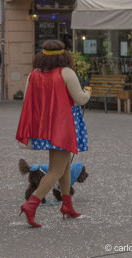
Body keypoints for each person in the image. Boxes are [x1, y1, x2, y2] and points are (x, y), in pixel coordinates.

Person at [16, 40, 91, 227]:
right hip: (64, 126)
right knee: (57, 169)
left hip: (46, 126)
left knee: (64, 166)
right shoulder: (67, 73)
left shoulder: (34, 74)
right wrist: (88, 91)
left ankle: (67, 205)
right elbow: (80, 99)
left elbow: (28, 100)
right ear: (63, 54)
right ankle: (31, 204)